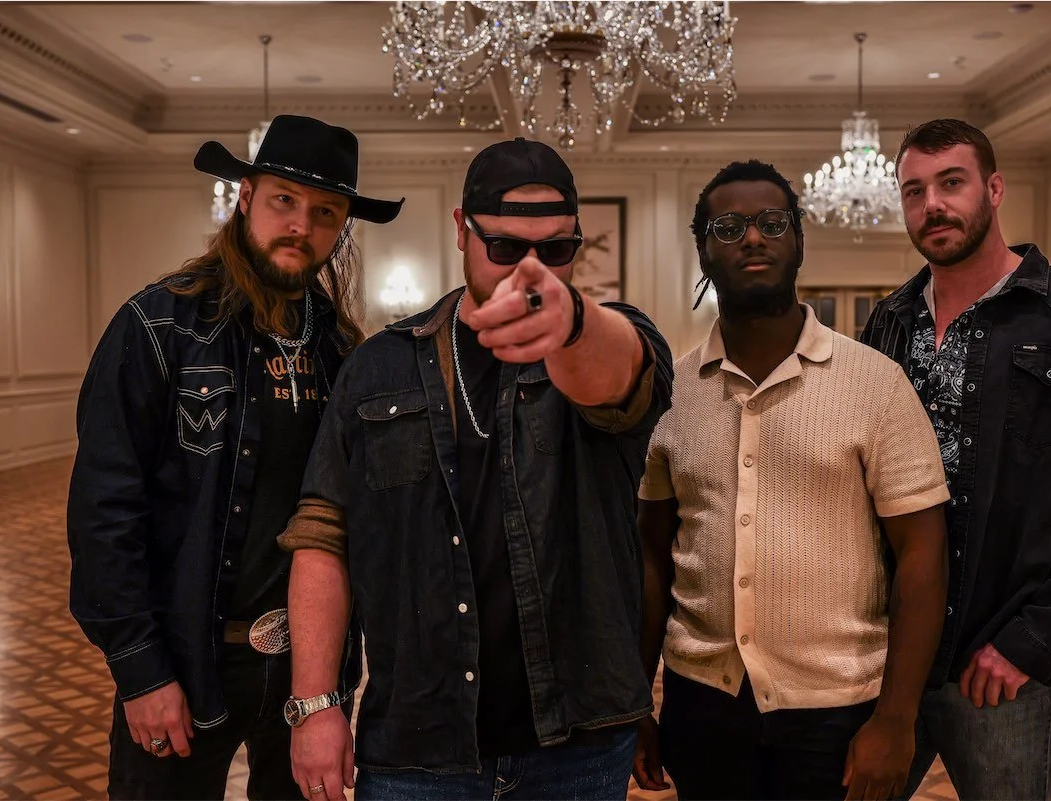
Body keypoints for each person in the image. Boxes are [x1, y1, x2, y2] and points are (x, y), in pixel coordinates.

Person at [278, 137, 674, 801]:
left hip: (576, 744)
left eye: (556, 250)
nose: (531, 270)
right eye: (506, 247)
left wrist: (572, 321)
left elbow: (619, 375)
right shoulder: (378, 366)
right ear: (462, 230)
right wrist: (315, 704)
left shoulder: (606, 336)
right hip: (417, 745)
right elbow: (323, 535)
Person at [67, 115, 404, 800]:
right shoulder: (157, 327)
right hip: (186, 660)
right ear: (245, 197)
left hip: (308, 672)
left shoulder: (343, 352)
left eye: (325, 212)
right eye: (284, 200)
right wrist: (140, 669)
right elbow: (105, 513)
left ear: (342, 227)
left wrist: (333, 687)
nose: (301, 225)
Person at [859, 118, 1051, 800]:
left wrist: (1036, 638)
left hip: (999, 667)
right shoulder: (889, 322)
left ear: (994, 189)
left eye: (952, 182)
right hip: (887, 657)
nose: (933, 204)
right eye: (914, 190)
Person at [632, 159, 951, 801]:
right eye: (729, 227)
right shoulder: (672, 394)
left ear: (799, 242)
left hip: (839, 710)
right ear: (703, 252)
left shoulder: (876, 384)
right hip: (703, 705)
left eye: (772, 223)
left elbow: (923, 554)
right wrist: (636, 702)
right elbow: (652, 557)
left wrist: (896, 719)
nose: (753, 237)